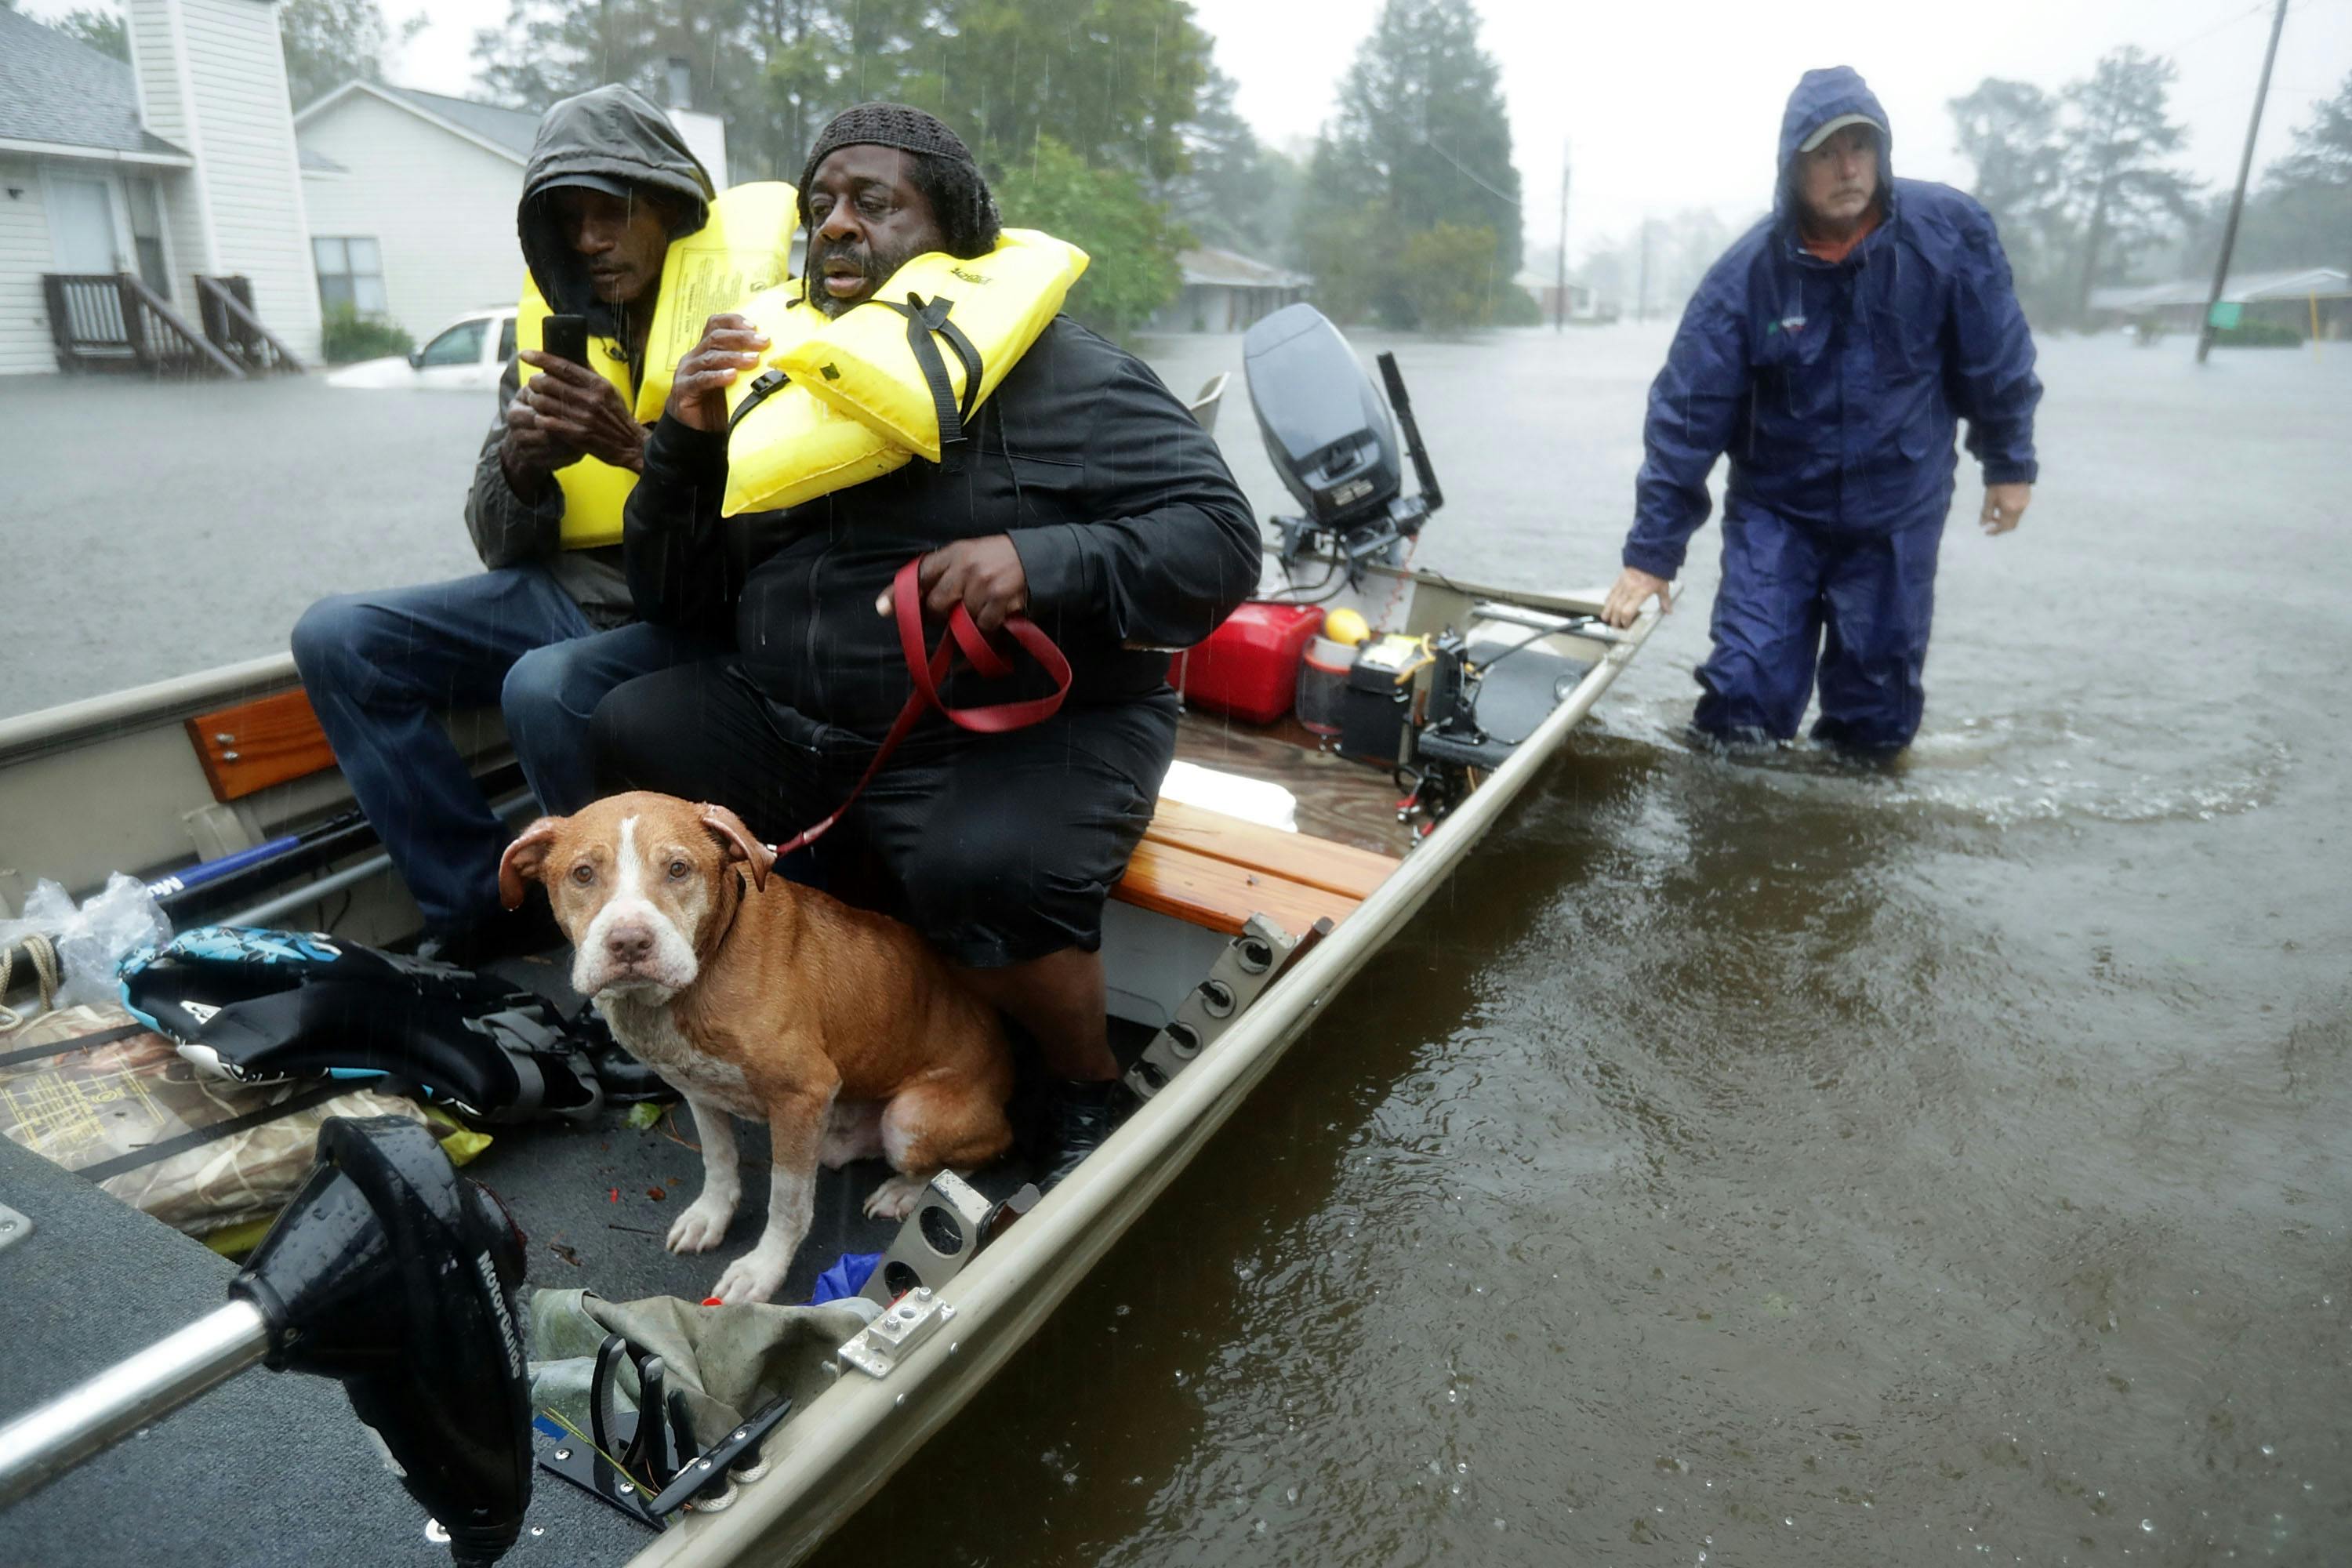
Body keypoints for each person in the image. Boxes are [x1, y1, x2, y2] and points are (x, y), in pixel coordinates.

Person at [590, 103, 1261, 1184]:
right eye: (820, 205)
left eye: (873, 201)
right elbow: (674, 602)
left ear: (951, 228)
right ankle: (734, 1010)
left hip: (1014, 730)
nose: (837, 225)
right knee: (629, 721)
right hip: (809, 720)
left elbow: (1224, 543)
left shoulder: (1066, 375)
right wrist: (682, 444)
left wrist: (1045, 560)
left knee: (984, 866)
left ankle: (1082, 1082)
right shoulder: (784, 370)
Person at [293, 86, 736, 960]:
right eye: (567, 219)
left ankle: (616, 939)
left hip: (689, 612)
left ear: (671, 207)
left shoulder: (740, 325)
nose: (588, 240)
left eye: (610, 212)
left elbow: (766, 531)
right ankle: (477, 910)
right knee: (338, 636)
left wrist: (635, 447)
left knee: (543, 682)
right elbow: (497, 542)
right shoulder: (554, 337)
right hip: (561, 593)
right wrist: (521, 466)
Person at [1600, 66, 2042, 755]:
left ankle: (1845, 835)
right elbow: (1687, 417)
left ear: (1882, 154)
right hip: (1778, 512)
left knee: (1876, 720)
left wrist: (2009, 463)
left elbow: (1996, 356)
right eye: (1827, 152)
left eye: (1861, 147)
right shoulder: (1746, 277)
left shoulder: (1949, 235)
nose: (1848, 168)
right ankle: (1736, 838)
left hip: (1899, 508)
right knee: (1741, 701)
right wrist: (1652, 555)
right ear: (1792, 167)